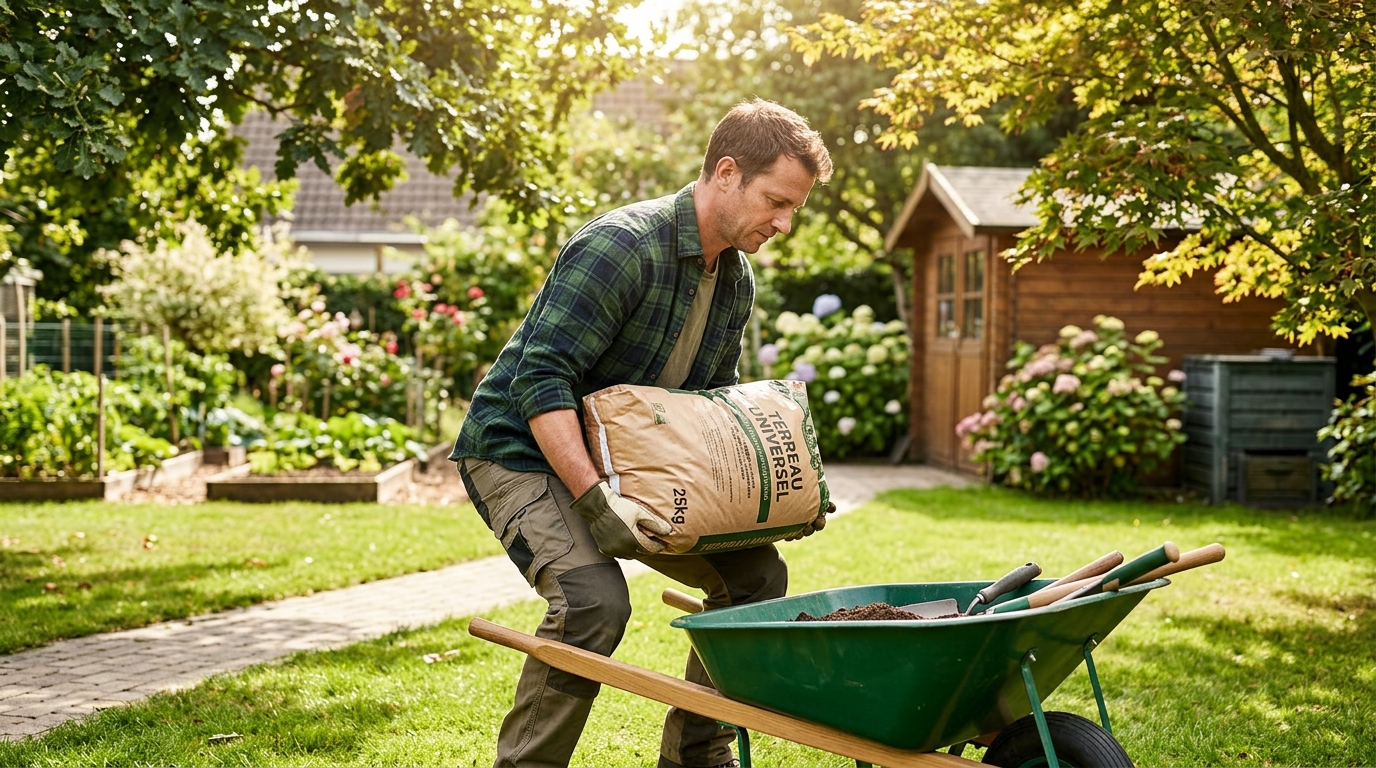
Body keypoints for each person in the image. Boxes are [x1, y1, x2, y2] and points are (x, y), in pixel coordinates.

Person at [450, 98, 834, 768]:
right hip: (519, 451)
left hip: (624, 464)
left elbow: (708, 414)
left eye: (793, 207)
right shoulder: (622, 245)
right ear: (725, 173)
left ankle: (694, 758)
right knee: (592, 602)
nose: (784, 222)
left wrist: (772, 504)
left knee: (756, 578)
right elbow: (540, 378)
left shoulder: (735, 281)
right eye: (776, 201)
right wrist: (597, 500)